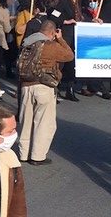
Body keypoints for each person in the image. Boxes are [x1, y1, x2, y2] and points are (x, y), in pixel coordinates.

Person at [18, 20, 74, 165]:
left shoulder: (27, 43)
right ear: (52, 32)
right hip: (44, 85)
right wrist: (60, 38)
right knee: (44, 123)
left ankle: (23, 154)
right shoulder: (51, 45)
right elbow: (69, 56)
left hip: (26, 85)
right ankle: (37, 156)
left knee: (26, 122)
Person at [48, 0, 84, 102]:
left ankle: (70, 89)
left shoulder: (79, 1)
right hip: (67, 34)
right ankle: (54, 90)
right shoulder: (64, 2)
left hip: (77, 34)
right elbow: (54, 16)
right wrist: (66, 21)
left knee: (72, 63)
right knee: (61, 62)